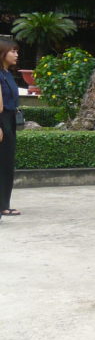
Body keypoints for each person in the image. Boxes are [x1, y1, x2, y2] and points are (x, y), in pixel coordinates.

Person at [0, 39, 20, 218]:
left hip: (10, 119)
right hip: (1, 119)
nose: (16, 54)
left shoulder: (8, 74)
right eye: (12, 51)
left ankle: (4, 203)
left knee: (7, 163)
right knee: (3, 163)